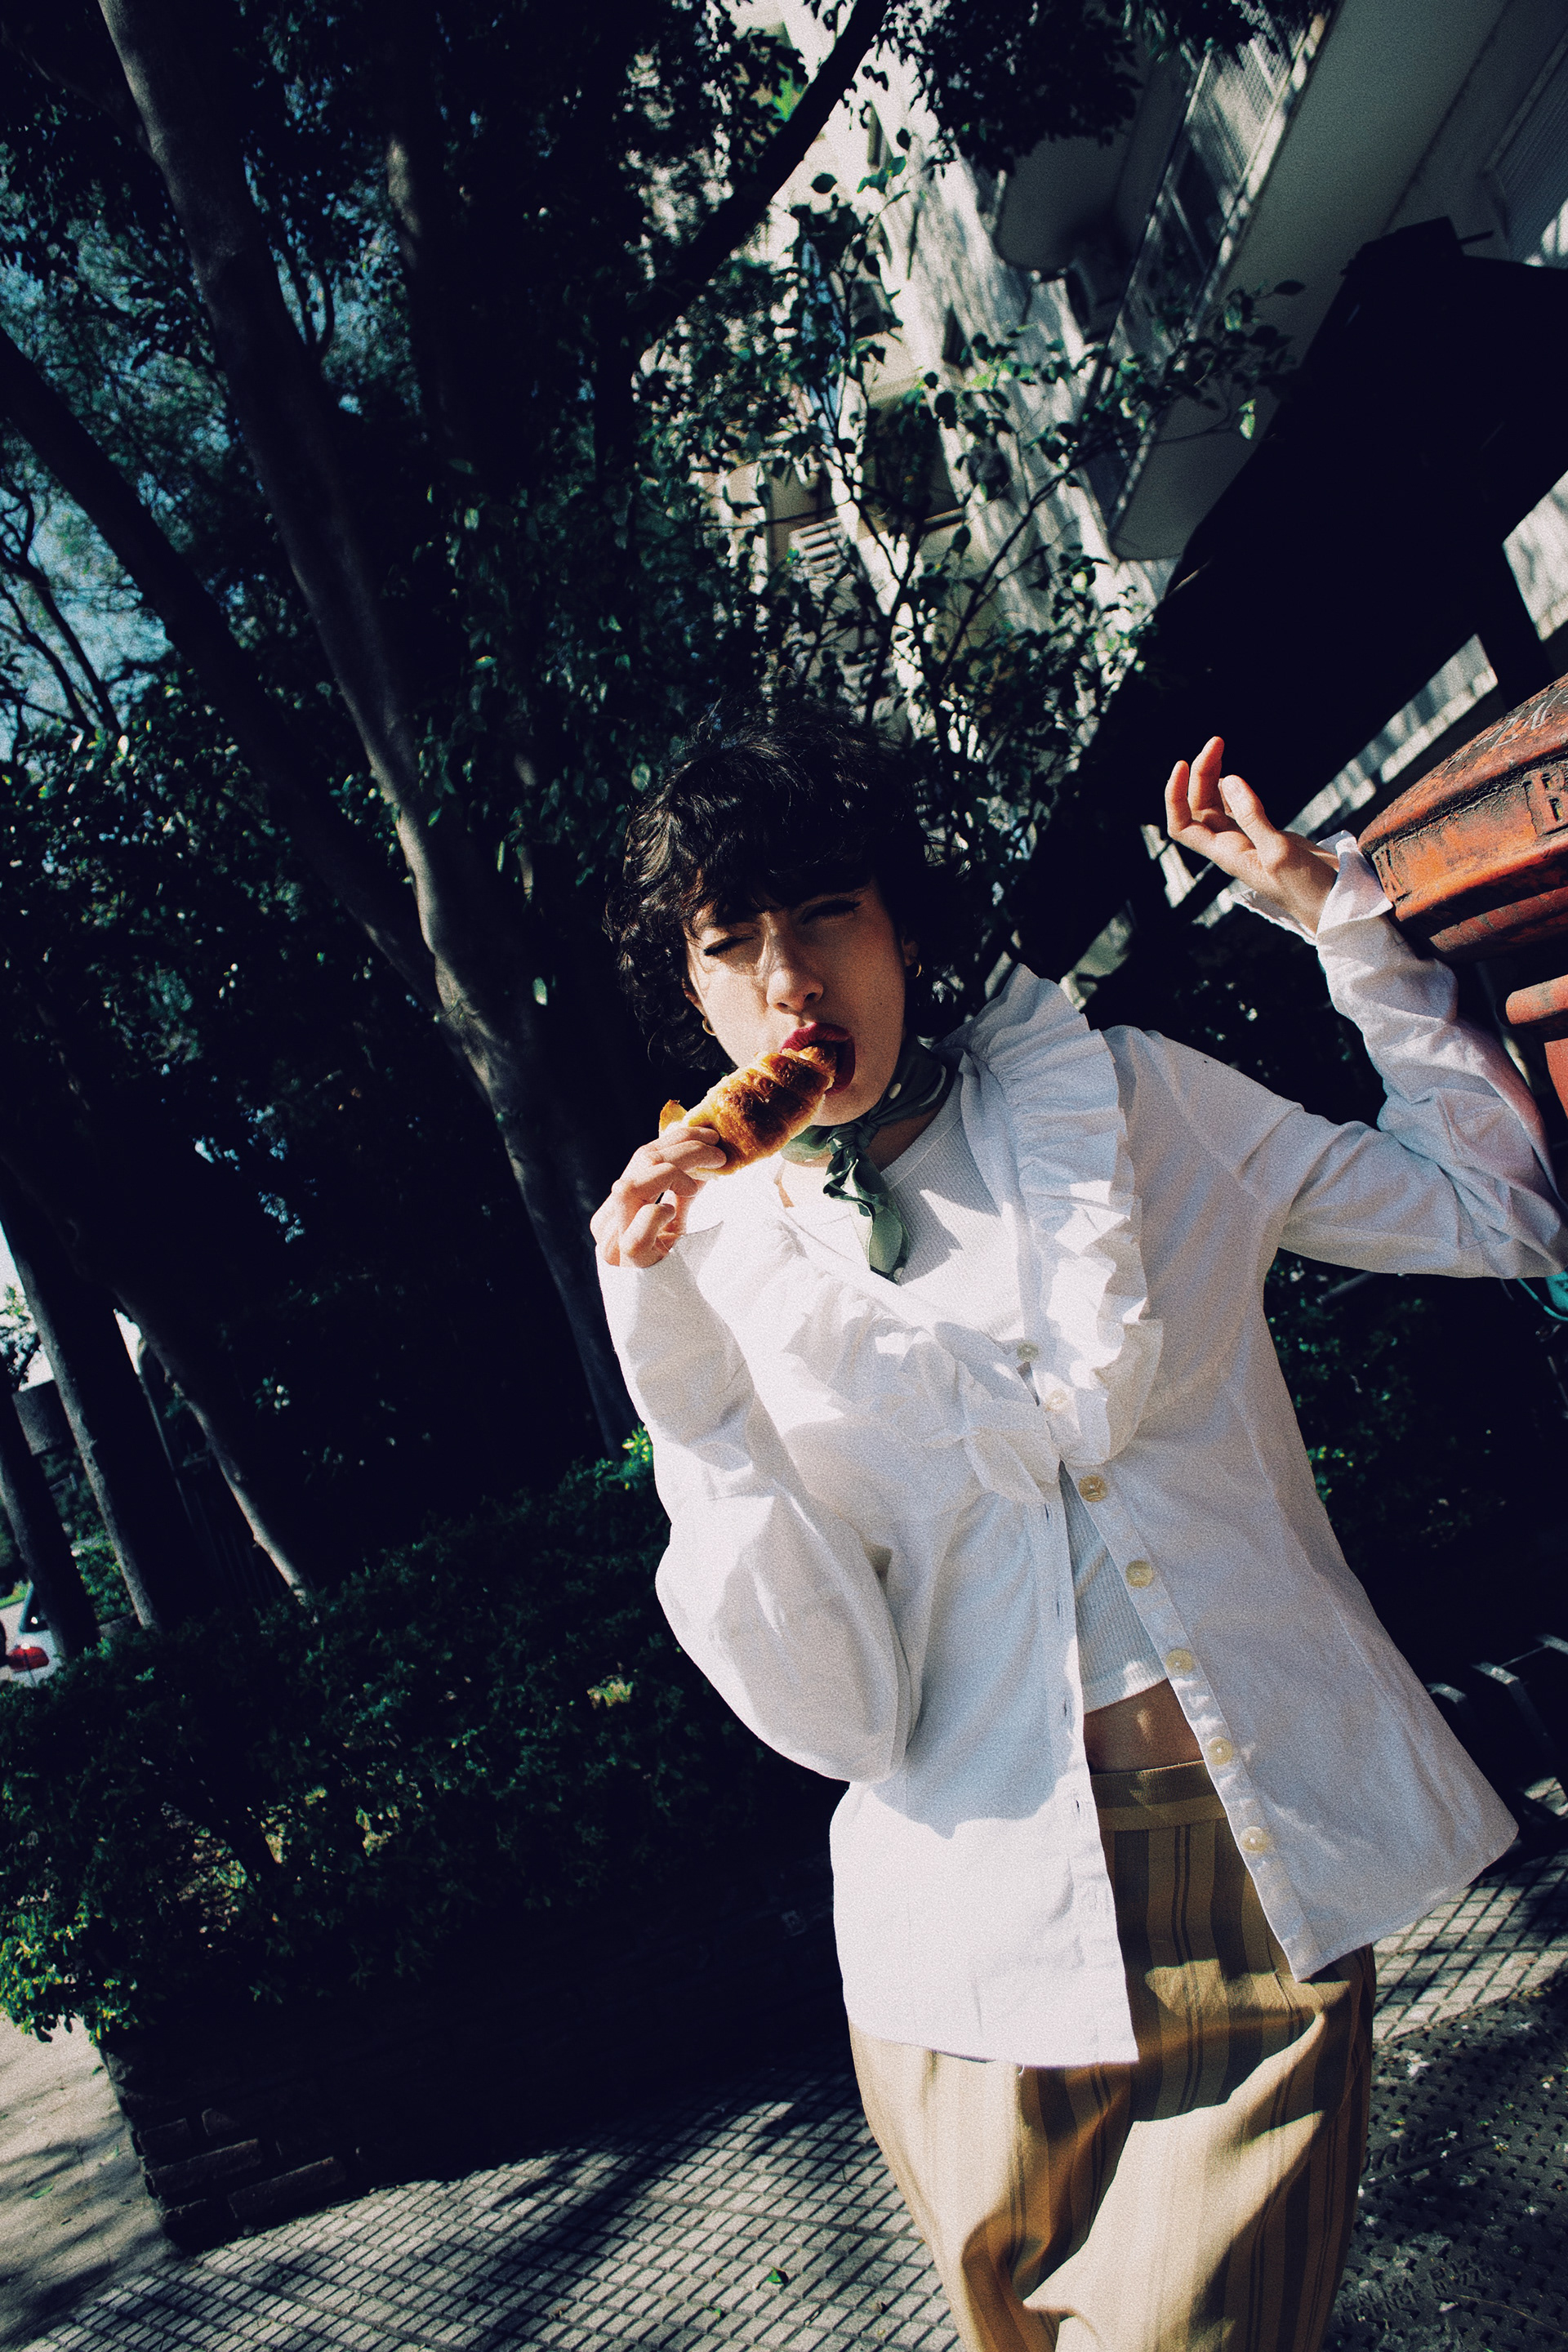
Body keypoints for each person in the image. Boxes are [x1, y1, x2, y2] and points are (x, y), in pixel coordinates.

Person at [592, 704, 1566, 2352]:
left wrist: (1338, 919)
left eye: (827, 912)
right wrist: (690, 1399)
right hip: (963, 1938)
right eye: (731, 943)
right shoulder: (712, 1267)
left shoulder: (1120, 1103)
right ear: (694, 995)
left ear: (904, 928)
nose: (791, 982)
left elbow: (1503, 1210)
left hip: (1239, 1867)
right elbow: (838, 1715)